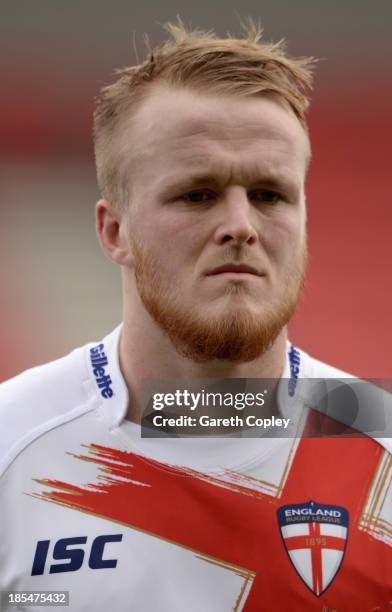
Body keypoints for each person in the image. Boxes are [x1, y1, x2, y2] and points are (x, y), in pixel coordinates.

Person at [0, 20, 390, 611]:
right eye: (197, 194)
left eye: (269, 195)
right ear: (113, 231)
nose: (241, 225)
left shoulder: (381, 447)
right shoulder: (11, 447)